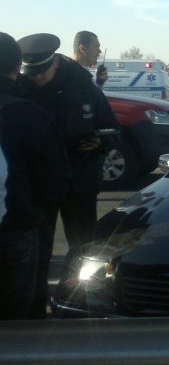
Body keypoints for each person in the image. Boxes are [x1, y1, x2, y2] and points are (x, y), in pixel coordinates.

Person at [18, 33, 119, 318]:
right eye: (32, 73)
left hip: (80, 182)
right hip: (40, 186)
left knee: (84, 249)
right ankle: (35, 310)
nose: (37, 79)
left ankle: (77, 304)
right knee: (38, 251)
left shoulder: (82, 87)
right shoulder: (21, 88)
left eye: (42, 73)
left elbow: (112, 130)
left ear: (55, 64)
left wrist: (98, 142)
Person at [0, 32, 68, 319]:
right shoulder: (29, 117)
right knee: (17, 325)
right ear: (18, 67)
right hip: (15, 232)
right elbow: (55, 183)